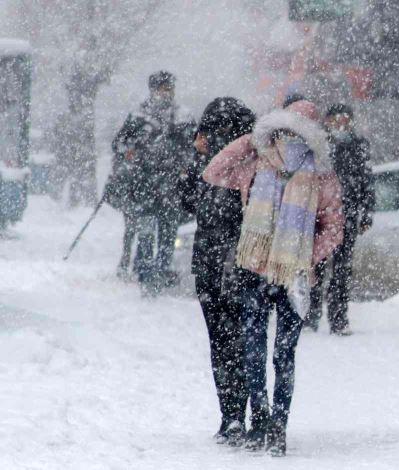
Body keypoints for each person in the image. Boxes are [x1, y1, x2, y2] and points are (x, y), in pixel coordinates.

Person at [202, 100, 343, 456]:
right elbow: (214, 171)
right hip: (266, 274)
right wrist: (252, 139)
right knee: (269, 353)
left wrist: (302, 256)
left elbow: (334, 228)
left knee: (270, 352)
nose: (285, 135)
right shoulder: (260, 162)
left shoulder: (317, 174)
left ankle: (270, 424)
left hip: (284, 276)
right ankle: (268, 423)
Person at [179, 97, 256, 445]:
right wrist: (196, 155)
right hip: (219, 264)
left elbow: (186, 200)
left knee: (232, 342)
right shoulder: (212, 165)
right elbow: (184, 200)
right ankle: (234, 415)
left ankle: (239, 414)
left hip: (235, 263)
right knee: (229, 342)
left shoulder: (250, 163)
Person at [109, 71, 195, 293]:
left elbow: (193, 149)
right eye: (162, 89)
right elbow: (118, 144)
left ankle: (161, 271)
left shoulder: (182, 116)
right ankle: (146, 273)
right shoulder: (138, 116)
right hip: (143, 184)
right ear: (153, 90)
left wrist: (185, 166)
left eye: (169, 89)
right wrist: (129, 151)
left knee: (168, 234)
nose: (166, 93)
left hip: (171, 186)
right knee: (146, 231)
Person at [305, 104, 374, 335]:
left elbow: (366, 180)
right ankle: (311, 315)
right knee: (317, 266)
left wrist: (366, 213)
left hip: (347, 214)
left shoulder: (358, 146)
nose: (341, 125)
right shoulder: (318, 145)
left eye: (346, 120)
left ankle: (339, 318)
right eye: (337, 120)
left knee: (342, 270)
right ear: (328, 121)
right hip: (321, 216)